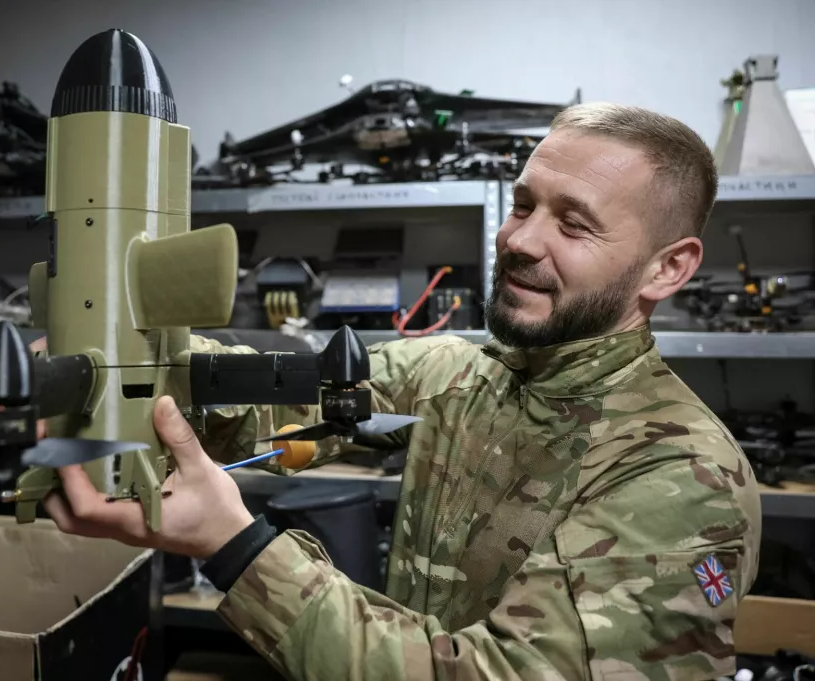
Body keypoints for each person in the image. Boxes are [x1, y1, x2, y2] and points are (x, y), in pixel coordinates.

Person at [40, 102, 762, 681]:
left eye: (573, 224)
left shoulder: (681, 477)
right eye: (522, 205)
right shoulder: (455, 374)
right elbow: (267, 404)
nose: (520, 240)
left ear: (667, 269)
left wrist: (238, 548)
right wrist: (115, 364)